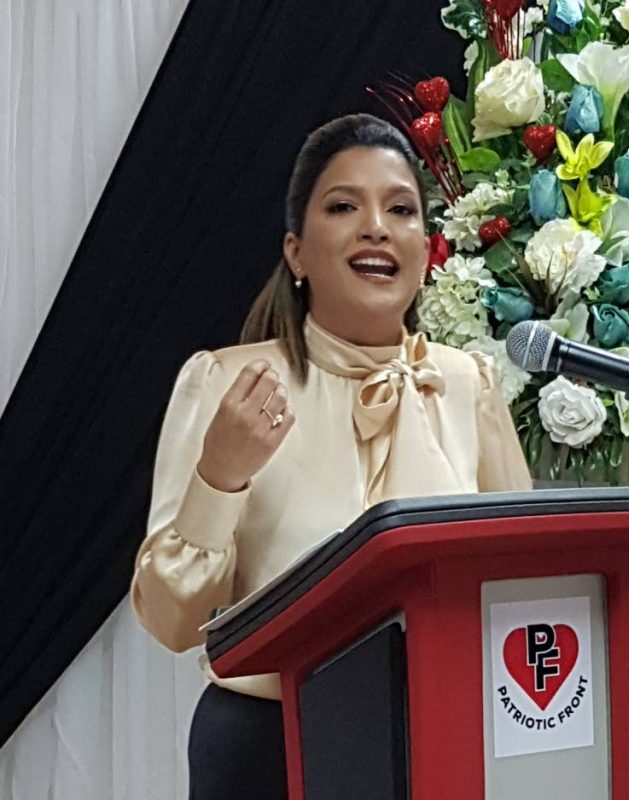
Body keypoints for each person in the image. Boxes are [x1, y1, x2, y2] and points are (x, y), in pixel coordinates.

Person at [130, 114, 532, 799]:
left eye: (400, 208)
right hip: (268, 748)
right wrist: (219, 476)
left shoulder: (470, 385)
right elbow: (172, 622)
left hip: (443, 740)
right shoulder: (226, 383)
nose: (376, 226)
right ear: (296, 251)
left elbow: (524, 583)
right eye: (344, 206)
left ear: (427, 247)